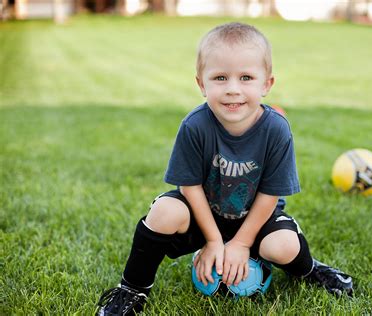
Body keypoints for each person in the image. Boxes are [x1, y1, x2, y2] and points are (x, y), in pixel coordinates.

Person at [96, 22, 353, 315]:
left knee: (283, 246)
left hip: (254, 219)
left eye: (246, 77)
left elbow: (270, 193)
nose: (233, 89)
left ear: (266, 84)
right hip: (204, 214)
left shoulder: (276, 130)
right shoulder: (195, 126)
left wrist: (242, 243)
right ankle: (132, 289)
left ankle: (310, 270)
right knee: (165, 211)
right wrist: (214, 240)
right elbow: (189, 187)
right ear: (201, 84)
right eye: (220, 77)